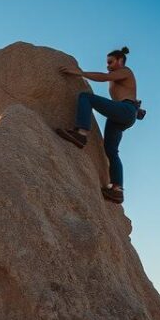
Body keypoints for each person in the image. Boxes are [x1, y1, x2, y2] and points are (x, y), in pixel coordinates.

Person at [55, 47, 139, 204]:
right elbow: (128, 93)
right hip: (123, 114)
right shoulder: (119, 76)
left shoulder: (125, 71)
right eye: (106, 63)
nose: (107, 65)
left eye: (110, 62)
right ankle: (117, 190)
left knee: (86, 98)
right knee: (111, 151)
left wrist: (80, 73)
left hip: (125, 110)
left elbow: (103, 77)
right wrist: (138, 109)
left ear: (120, 61)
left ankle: (81, 133)